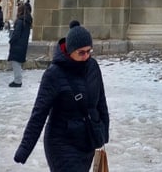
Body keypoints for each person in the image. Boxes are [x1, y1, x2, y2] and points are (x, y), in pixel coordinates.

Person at [14, 21, 109, 170]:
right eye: (81, 52)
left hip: (87, 141)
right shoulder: (54, 74)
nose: (86, 56)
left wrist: (102, 134)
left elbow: (100, 103)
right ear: (70, 51)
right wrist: (24, 149)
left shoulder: (93, 67)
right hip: (61, 144)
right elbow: (39, 114)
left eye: (89, 51)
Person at [7, 2, 33, 87]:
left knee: (15, 62)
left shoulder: (20, 21)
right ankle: (18, 79)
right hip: (23, 44)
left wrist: (11, 41)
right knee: (17, 62)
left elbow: (16, 34)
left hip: (17, 44)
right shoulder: (27, 21)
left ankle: (18, 80)